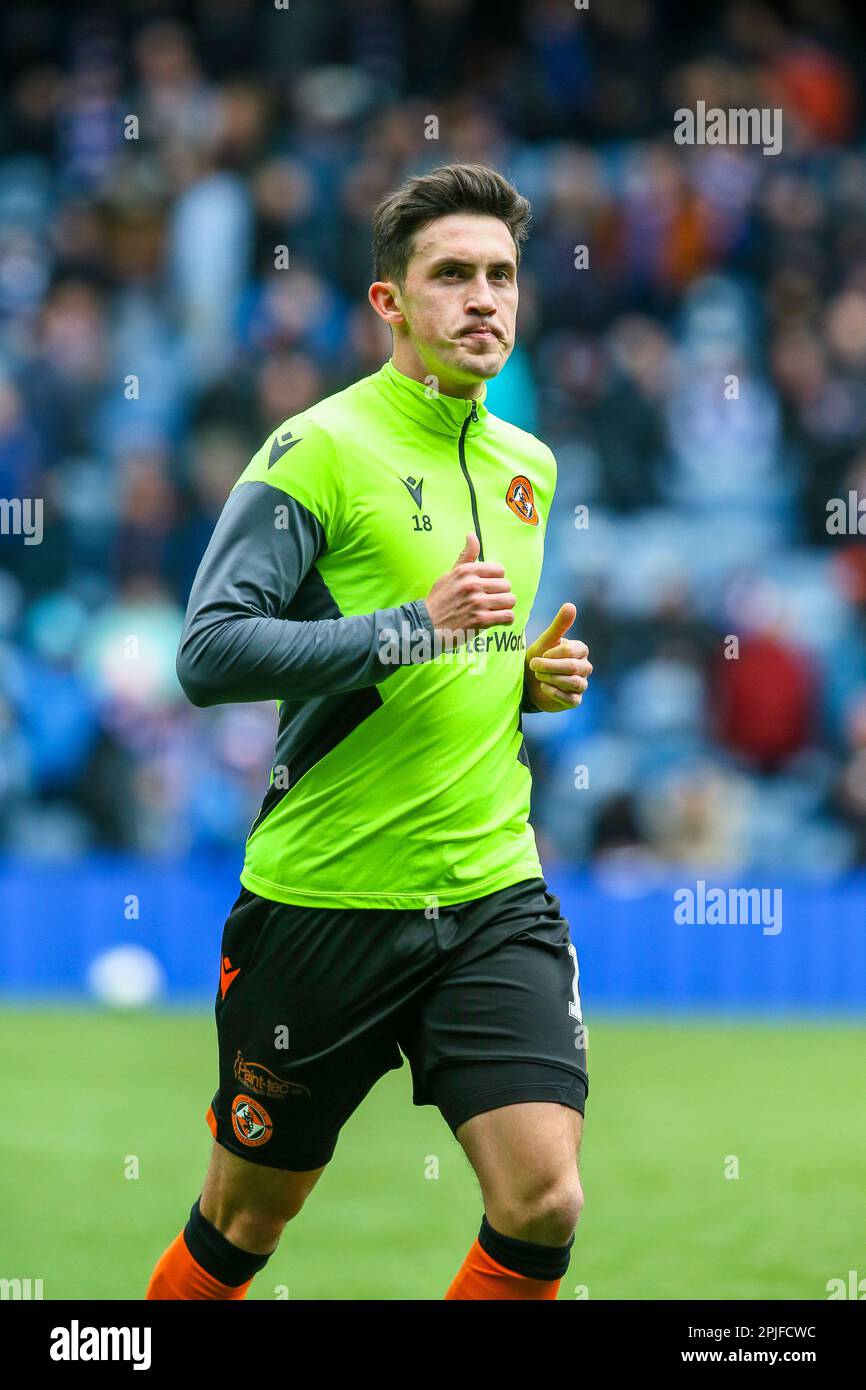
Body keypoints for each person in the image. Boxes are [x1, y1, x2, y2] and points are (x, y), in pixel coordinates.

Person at [146, 162, 593, 1301]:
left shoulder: (526, 466)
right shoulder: (319, 450)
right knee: (246, 1217)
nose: (483, 299)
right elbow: (207, 653)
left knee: (541, 1198)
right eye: (451, 276)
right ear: (390, 302)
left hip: (489, 891)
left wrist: (518, 684)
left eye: (500, 275)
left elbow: (459, 656)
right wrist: (410, 628)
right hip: (326, 904)